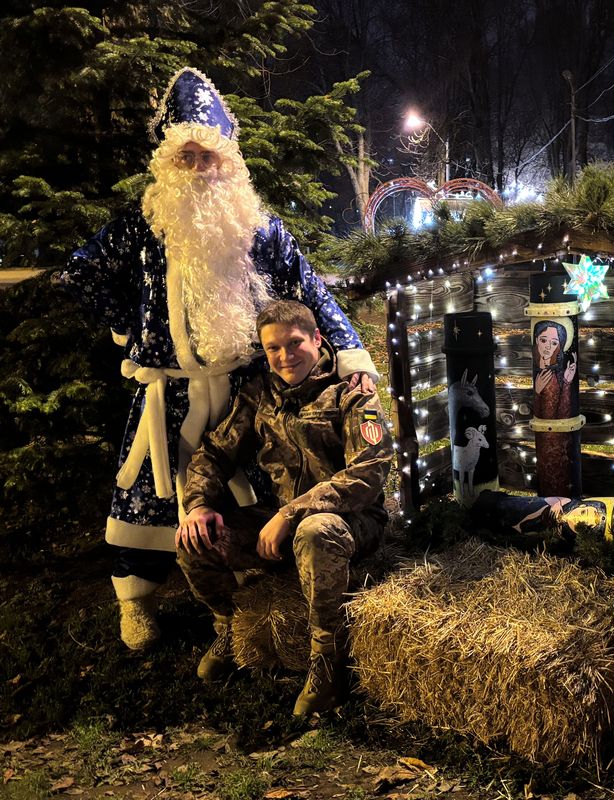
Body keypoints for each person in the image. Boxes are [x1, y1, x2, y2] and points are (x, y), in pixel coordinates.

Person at [59, 67, 378, 650]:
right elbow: (80, 273)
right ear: (167, 164)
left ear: (228, 163)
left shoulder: (258, 228)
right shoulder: (143, 225)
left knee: (252, 491)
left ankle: (247, 603)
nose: (199, 170)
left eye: (209, 158)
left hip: (246, 388)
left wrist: (351, 353)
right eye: (186, 158)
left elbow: (308, 289)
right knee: (147, 498)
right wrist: (127, 328)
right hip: (170, 392)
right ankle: (137, 602)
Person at [176, 300, 392, 715]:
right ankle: (231, 627)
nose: (284, 356)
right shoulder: (260, 393)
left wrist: (289, 514)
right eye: (272, 348)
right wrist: (199, 504)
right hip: (280, 520)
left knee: (315, 530)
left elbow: (368, 473)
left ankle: (326, 665)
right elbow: (214, 453)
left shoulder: (352, 393)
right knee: (193, 541)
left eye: (294, 343)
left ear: (317, 339)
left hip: (350, 520)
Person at [532, 319, 577, 495]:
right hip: (543, 439)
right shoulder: (541, 372)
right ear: (536, 340)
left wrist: (566, 382)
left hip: (558, 440)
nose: (547, 347)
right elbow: (541, 411)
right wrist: (537, 391)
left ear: (560, 346)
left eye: (554, 342)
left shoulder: (555, 374)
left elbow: (562, 412)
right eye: (543, 340)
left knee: (560, 482)